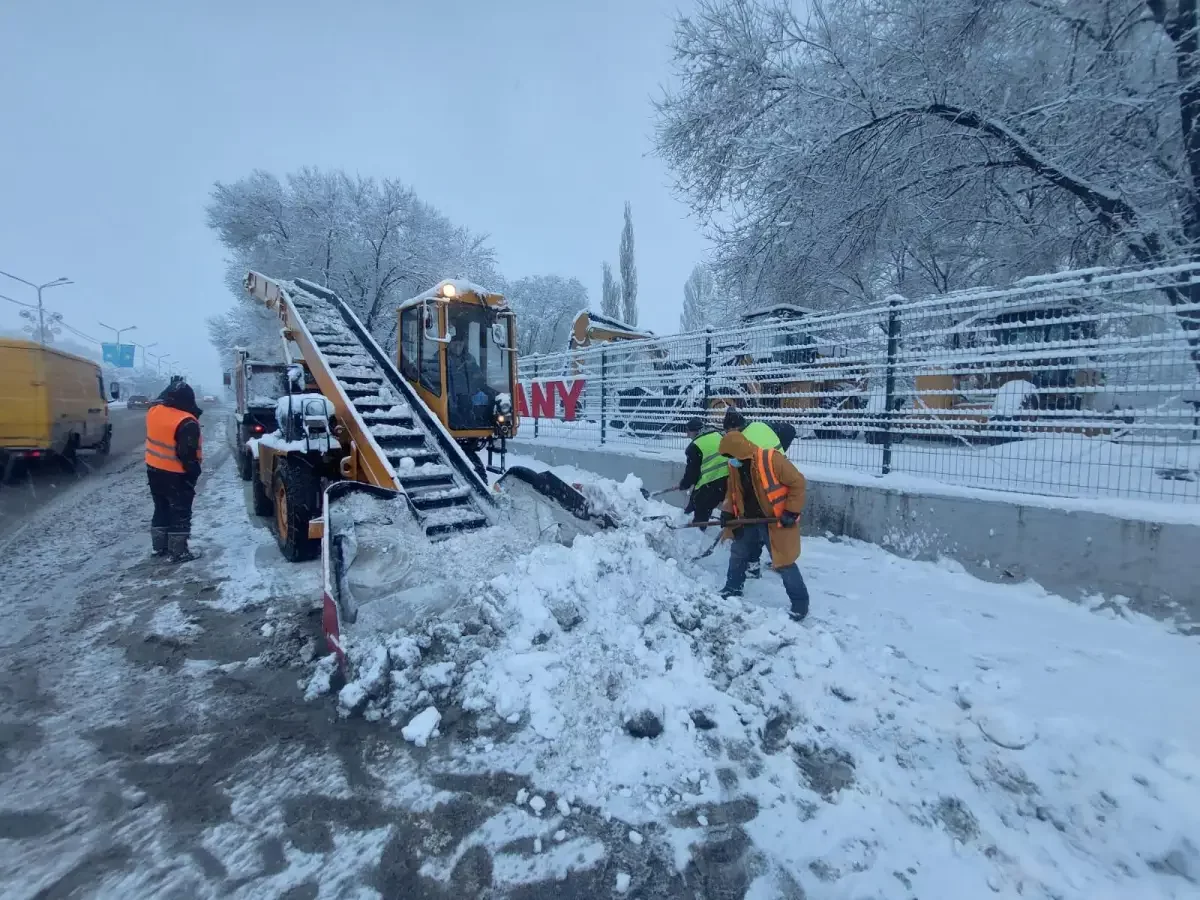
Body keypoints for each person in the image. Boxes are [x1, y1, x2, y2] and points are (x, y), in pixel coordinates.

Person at [716, 430, 810, 621]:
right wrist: (727, 512)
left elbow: (797, 482)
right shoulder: (734, 466)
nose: (730, 460)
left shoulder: (770, 459)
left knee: (783, 561)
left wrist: (791, 511)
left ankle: (800, 604)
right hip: (748, 519)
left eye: (732, 456)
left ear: (740, 452)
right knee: (738, 553)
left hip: (775, 520)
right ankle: (733, 588)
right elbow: (732, 493)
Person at [721, 407, 798, 576]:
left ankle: (777, 564)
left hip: (764, 485)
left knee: (762, 528)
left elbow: (740, 471)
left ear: (733, 429)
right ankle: (771, 562)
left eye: (727, 432)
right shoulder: (759, 425)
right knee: (764, 529)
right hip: (779, 478)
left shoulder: (743, 440)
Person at [145, 380, 204, 562]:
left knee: (161, 508)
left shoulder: (154, 412)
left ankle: (159, 547)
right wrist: (194, 471)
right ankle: (179, 552)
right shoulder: (186, 422)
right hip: (177, 474)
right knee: (180, 511)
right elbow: (186, 453)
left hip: (154, 469)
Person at [678, 417, 727, 528]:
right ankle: (688, 512)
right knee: (697, 498)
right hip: (730, 480)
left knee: (701, 505)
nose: (687, 435)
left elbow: (692, 474)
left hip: (712, 482)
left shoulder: (693, 447)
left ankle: (698, 530)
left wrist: (684, 484)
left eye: (688, 432)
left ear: (694, 431)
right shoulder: (718, 435)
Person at [446, 328, 489, 429]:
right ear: (449, 344)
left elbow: (479, 377)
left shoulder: (469, 359)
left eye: (460, 345)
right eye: (455, 344)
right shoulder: (440, 357)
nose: (458, 347)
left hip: (466, 397)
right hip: (446, 397)